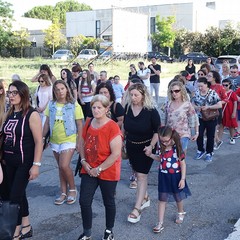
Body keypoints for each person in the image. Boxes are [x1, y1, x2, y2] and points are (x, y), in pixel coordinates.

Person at [1, 81, 42, 239]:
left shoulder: (32, 114)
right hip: (8, 162)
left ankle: (15, 233)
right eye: (9, 92)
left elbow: (39, 141)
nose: (10, 96)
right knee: (19, 195)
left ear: (23, 94)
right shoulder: (9, 112)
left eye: (14, 93)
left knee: (14, 200)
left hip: (24, 163)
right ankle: (27, 226)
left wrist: (36, 165)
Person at [78, 94, 122, 240]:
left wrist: (99, 169)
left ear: (106, 108)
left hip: (107, 170)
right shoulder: (89, 122)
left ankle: (109, 231)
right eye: (94, 107)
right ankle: (87, 233)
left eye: (99, 107)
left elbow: (115, 153)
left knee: (108, 201)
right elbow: (81, 142)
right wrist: (84, 161)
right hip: (88, 168)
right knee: (84, 200)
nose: (96, 110)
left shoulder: (112, 126)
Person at [123, 83, 161, 223]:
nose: (133, 98)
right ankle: (144, 197)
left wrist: (151, 146)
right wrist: (121, 141)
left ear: (143, 95)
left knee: (141, 176)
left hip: (146, 148)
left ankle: (137, 208)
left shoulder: (151, 110)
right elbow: (124, 127)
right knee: (136, 172)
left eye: (136, 95)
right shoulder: (127, 108)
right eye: (131, 95)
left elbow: (158, 131)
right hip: (131, 146)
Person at [43, 80, 84, 206]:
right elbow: (47, 122)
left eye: (62, 88)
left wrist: (79, 142)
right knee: (60, 167)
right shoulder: (51, 104)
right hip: (55, 140)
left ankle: (72, 189)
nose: (60, 91)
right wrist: (42, 138)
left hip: (69, 138)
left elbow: (80, 124)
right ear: (54, 91)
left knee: (64, 165)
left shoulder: (74, 105)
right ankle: (63, 192)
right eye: (57, 89)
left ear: (67, 89)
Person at [145, 126, 191, 233]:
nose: (164, 143)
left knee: (178, 196)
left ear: (172, 137)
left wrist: (183, 179)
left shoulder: (177, 148)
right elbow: (160, 159)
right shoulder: (161, 147)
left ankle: (181, 212)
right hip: (163, 176)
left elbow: (183, 164)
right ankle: (160, 223)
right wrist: (151, 155)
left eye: (166, 141)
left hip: (176, 176)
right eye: (162, 141)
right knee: (162, 199)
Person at [191, 77, 222, 162]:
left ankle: (209, 152)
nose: (200, 88)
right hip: (200, 118)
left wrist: (209, 107)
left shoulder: (212, 93)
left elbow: (219, 105)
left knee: (210, 136)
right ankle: (200, 150)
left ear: (206, 84)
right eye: (198, 86)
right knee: (199, 134)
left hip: (211, 118)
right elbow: (192, 104)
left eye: (201, 86)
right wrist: (197, 107)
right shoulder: (197, 93)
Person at [164, 81, 199, 155]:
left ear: (182, 91)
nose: (174, 93)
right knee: (171, 156)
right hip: (170, 134)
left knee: (181, 156)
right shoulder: (168, 103)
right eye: (172, 91)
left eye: (176, 91)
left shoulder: (187, 104)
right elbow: (166, 119)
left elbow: (195, 118)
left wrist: (196, 133)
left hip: (183, 134)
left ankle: (182, 167)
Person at [206, 70, 227, 150]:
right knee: (210, 128)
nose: (207, 77)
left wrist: (218, 103)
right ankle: (217, 141)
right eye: (207, 75)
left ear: (214, 78)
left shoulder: (219, 86)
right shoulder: (207, 86)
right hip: (208, 110)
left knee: (214, 127)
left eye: (209, 76)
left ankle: (214, 143)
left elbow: (226, 99)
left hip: (217, 110)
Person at [218, 79, 238, 145]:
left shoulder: (232, 93)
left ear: (229, 85)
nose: (224, 86)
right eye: (223, 85)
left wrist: (234, 112)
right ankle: (219, 140)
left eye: (226, 85)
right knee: (221, 125)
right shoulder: (220, 92)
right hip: (222, 111)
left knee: (231, 126)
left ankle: (232, 137)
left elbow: (235, 102)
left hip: (230, 111)